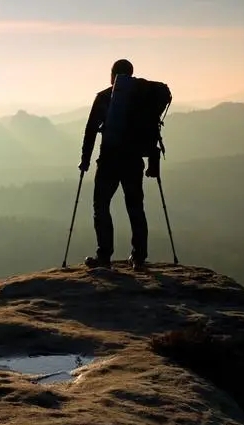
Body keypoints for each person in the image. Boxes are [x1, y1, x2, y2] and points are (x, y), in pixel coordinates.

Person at [78, 59, 159, 271]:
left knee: (101, 206)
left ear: (112, 74)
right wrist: (152, 160)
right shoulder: (142, 98)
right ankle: (139, 257)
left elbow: (90, 130)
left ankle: (104, 255)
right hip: (133, 162)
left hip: (109, 162)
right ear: (132, 74)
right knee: (135, 207)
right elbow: (152, 131)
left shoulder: (104, 98)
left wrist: (85, 160)